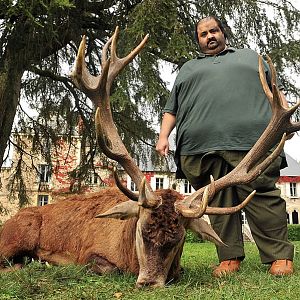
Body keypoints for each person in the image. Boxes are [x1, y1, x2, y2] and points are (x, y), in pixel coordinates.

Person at [156, 15, 294, 277]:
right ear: (198, 40)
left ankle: (279, 257)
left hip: (251, 141)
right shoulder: (187, 69)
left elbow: (274, 89)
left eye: (214, 31)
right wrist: (163, 136)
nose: (209, 36)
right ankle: (228, 258)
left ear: (223, 32)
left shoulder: (250, 57)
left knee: (262, 195)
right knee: (216, 200)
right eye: (203, 34)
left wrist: (286, 116)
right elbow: (171, 108)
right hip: (198, 147)